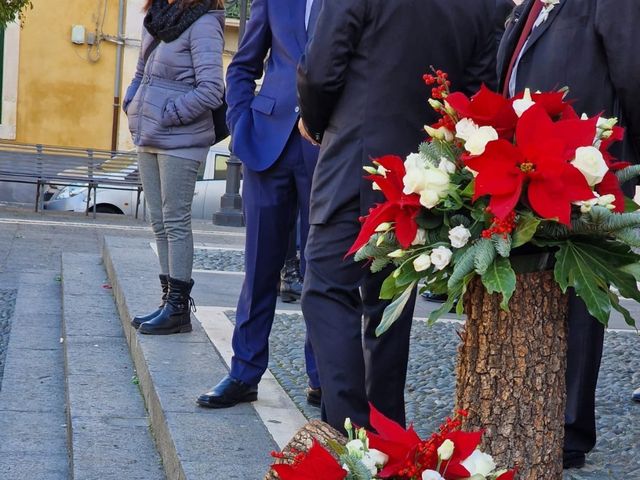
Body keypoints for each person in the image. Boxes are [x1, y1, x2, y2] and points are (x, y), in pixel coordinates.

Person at [297, 0, 496, 431]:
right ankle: (387, 437)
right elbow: (478, 96)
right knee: (391, 303)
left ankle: (353, 438)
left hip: (357, 159)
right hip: (428, 172)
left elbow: (320, 68)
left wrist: (314, 125)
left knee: (328, 291)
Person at [497, 0, 640, 469]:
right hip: (531, 165)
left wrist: (625, 167)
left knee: (581, 296)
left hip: (589, 167)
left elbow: (632, 73)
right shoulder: (533, 6)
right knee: (543, 290)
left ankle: (570, 427)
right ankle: (531, 409)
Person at [196, 0, 323, 409]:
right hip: (267, 141)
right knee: (259, 266)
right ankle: (244, 372)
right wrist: (240, 120)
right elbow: (243, 65)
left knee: (321, 268)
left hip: (326, 148)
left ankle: (323, 377)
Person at [123, 0, 225, 335]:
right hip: (148, 134)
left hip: (180, 139)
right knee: (159, 222)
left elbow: (212, 90)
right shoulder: (155, 19)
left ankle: (179, 308)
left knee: (176, 220)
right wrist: (133, 103)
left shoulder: (205, 22)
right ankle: (167, 300)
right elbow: (141, 73)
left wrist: (170, 114)